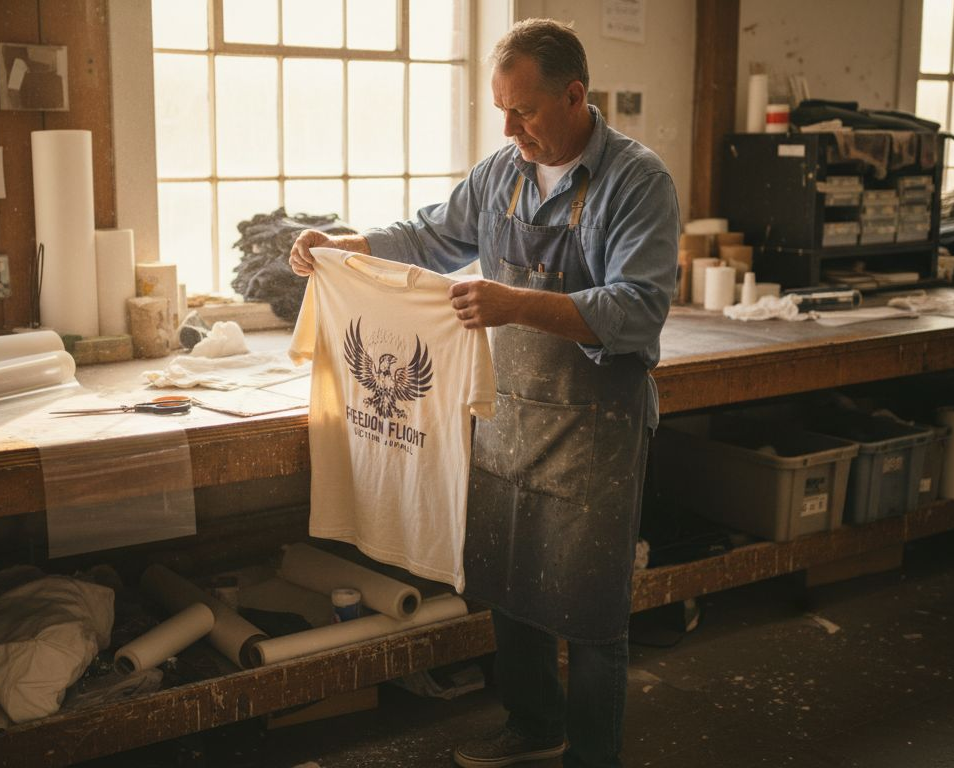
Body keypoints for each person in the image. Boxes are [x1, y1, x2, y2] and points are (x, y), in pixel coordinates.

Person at [289, 18, 678, 768]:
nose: (510, 128)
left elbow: (639, 308)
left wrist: (513, 303)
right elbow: (433, 236)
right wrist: (348, 249)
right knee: (508, 583)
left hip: (596, 425)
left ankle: (592, 757)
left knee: (593, 614)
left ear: (573, 96)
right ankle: (536, 726)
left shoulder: (637, 181)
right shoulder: (501, 172)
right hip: (509, 417)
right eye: (501, 111)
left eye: (524, 111)